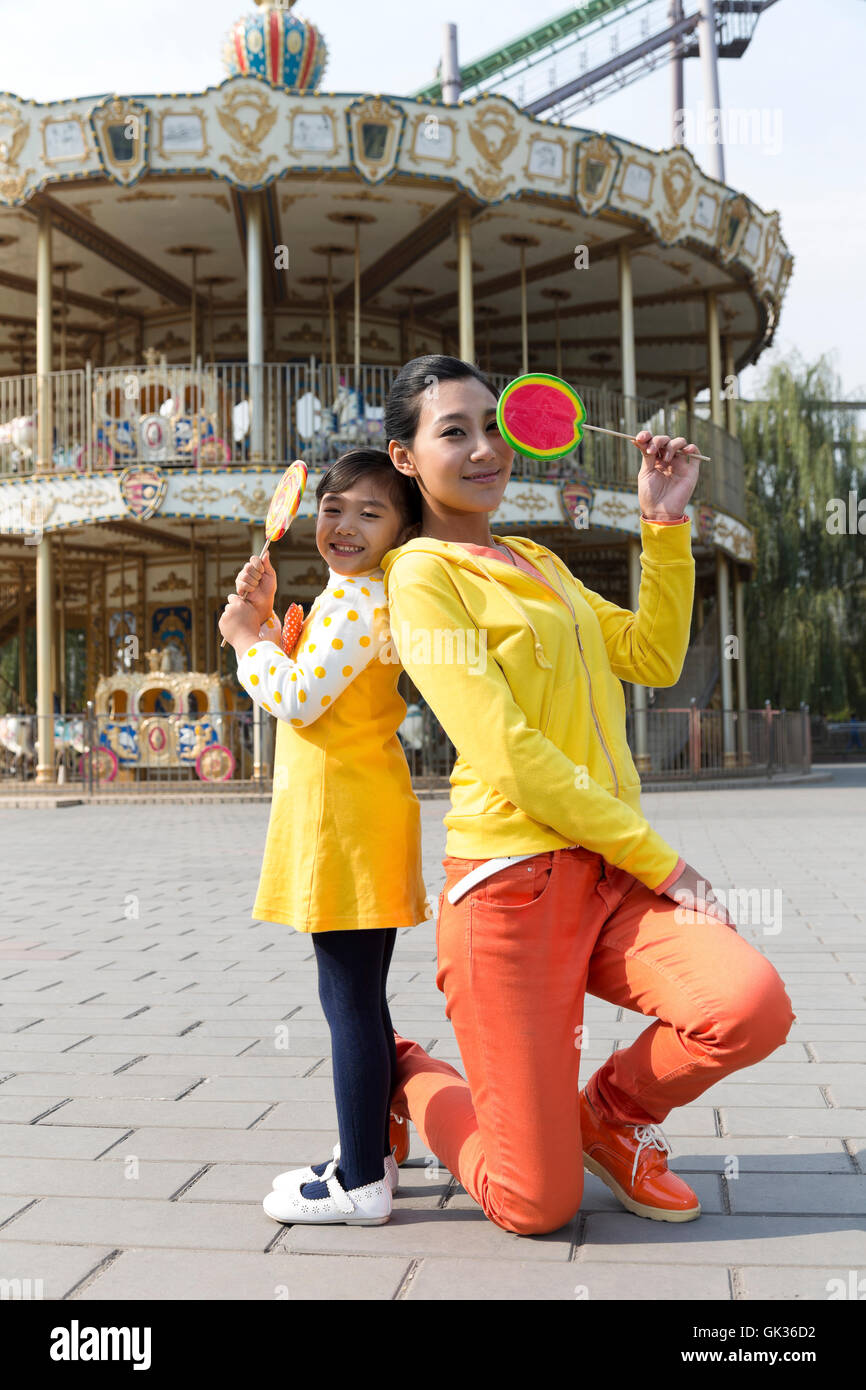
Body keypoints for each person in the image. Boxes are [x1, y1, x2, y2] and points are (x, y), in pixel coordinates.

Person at [377, 354, 795, 1236]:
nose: (485, 447)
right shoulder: (421, 577)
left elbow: (650, 654)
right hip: (509, 891)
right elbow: (510, 753)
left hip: (605, 875)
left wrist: (663, 523)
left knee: (747, 1006)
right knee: (537, 1205)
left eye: (493, 425)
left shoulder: (534, 559)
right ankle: (405, 1072)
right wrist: (662, 862)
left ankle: (606, 1117)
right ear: (406, 458)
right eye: (454, 431)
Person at [218, 448, 429, 1226]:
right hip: (359, 811)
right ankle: (363, 1153)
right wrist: (271, 619)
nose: (343, 525)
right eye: (333, 508)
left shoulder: (358, 603)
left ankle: (363, 1182)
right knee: (362, 1000)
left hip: (342, 821)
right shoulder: (358, 595)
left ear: (403, 528)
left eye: (369, 513)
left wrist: (246, 641)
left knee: (346, 1003)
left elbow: (301, 700)